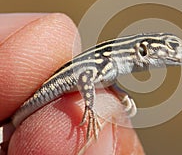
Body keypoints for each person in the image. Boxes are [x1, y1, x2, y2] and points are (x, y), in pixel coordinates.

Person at [0, 13, 144, 154]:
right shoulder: (108, 61)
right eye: (167, 48)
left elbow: (104, 80)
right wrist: (90, 108)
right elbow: (85, 78)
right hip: (26, 106)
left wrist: (119, 92)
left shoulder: (110, 64)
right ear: (142, 50)